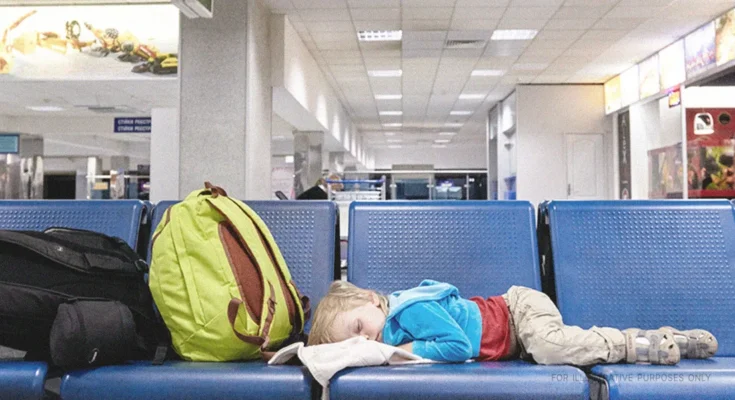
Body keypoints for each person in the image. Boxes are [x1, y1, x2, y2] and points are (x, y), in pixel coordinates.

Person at [308, 280, 718, 366]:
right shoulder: (387, 328)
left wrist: (406, 353)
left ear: (368, 299)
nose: (368, 339)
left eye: (360, 326)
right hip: (514, 338)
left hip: (518, 312)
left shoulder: (405, 311)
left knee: (553, 347)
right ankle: (670, 340)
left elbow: (458, 347)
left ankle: (639, 344)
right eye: (355, 341)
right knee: (551, 347)